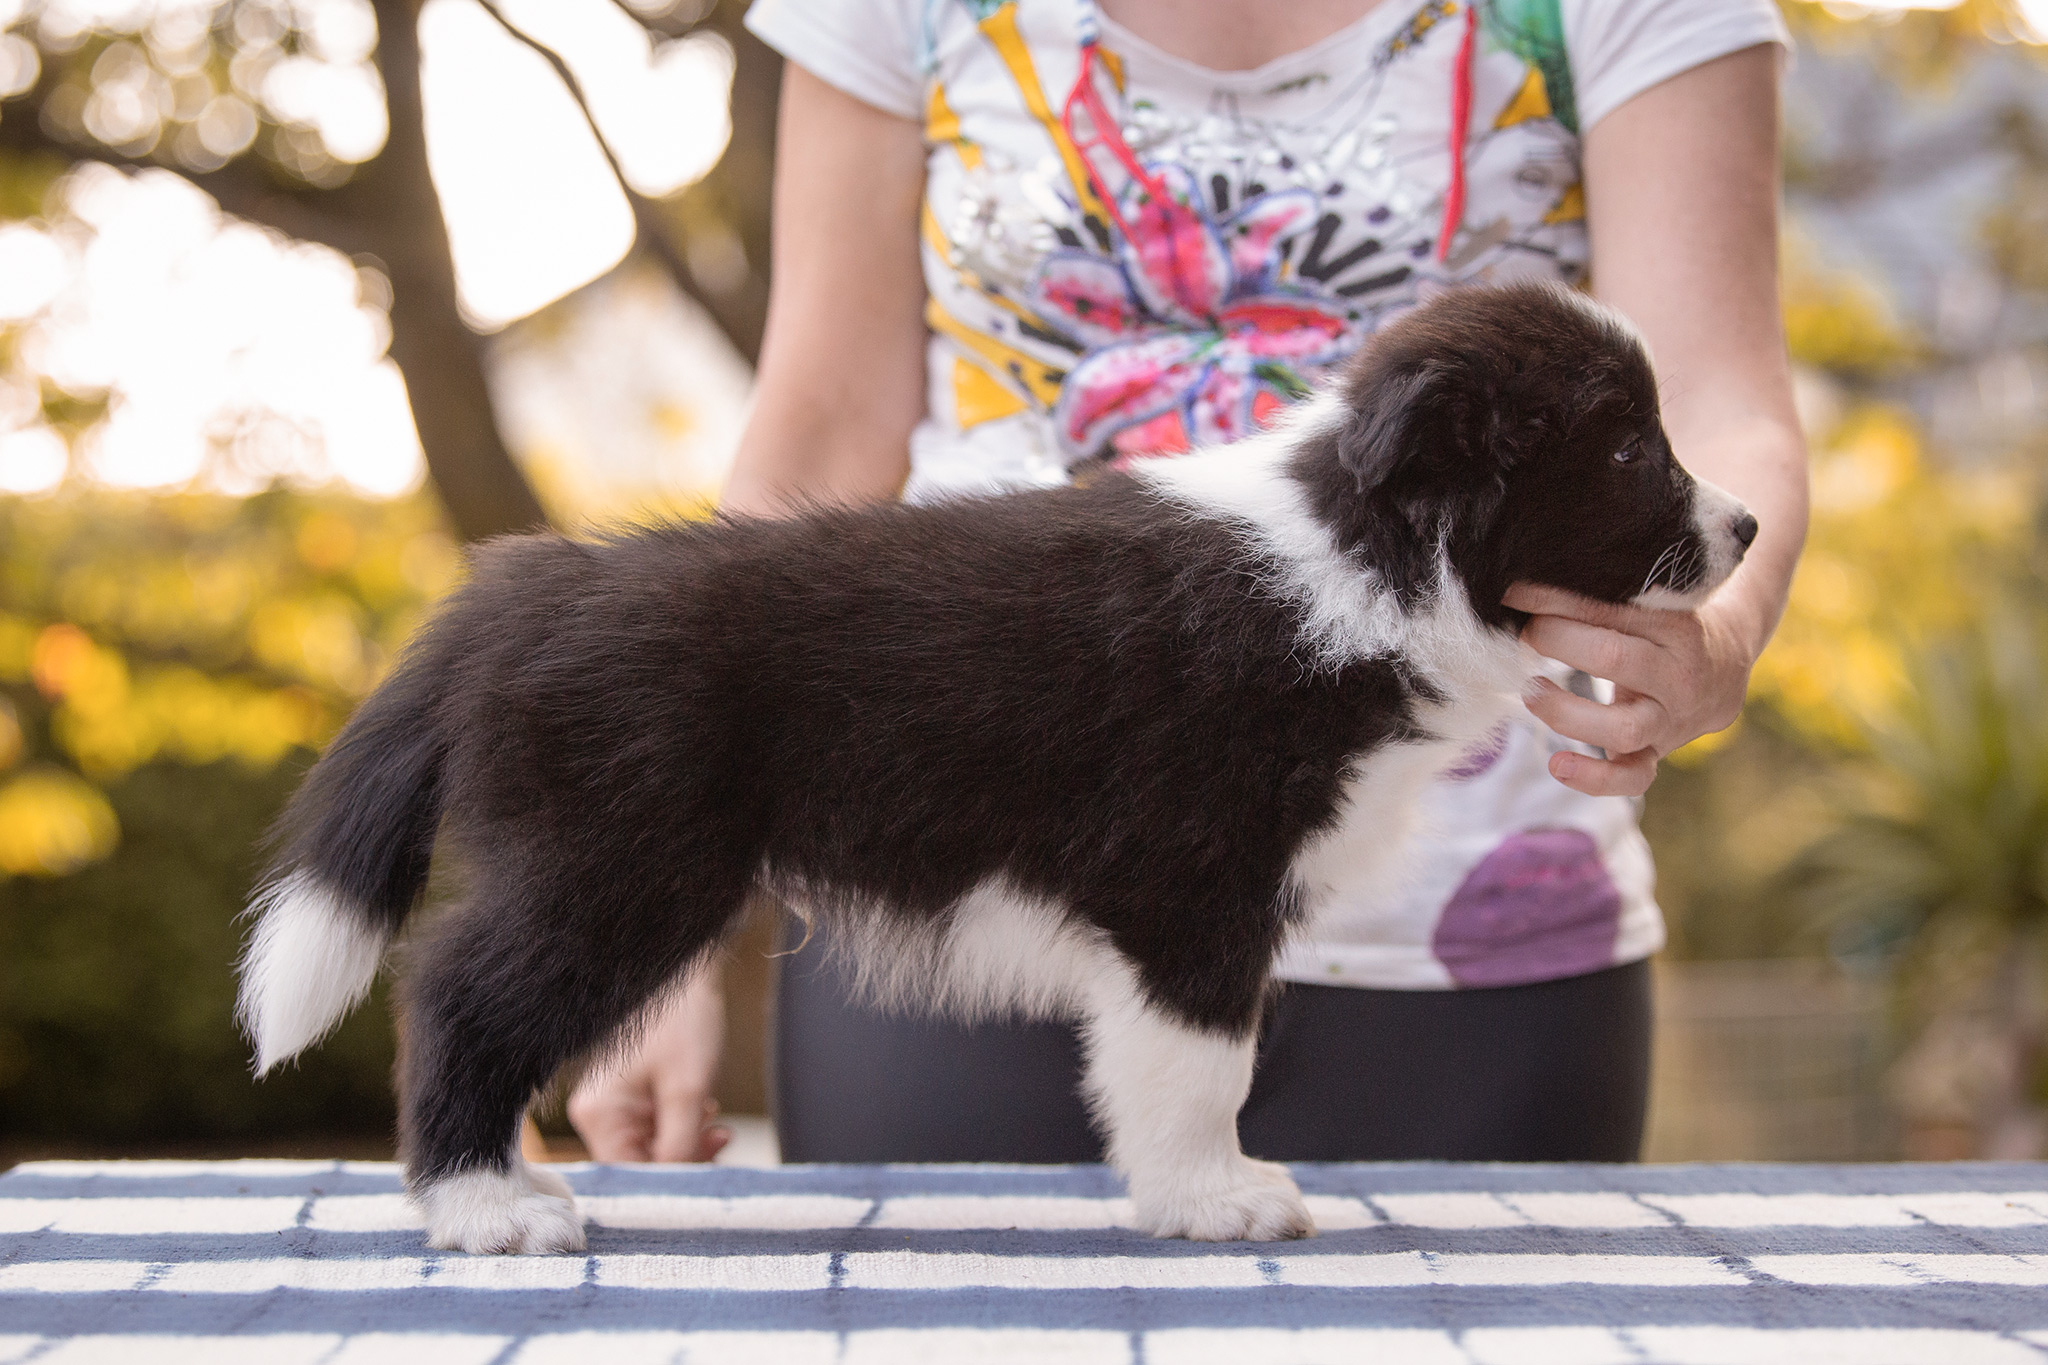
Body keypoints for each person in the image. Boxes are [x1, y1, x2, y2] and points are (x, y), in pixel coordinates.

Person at [566, 0, 1809, 1166]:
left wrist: (1718, 636)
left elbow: (1715, 399)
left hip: (1472, 936)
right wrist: (649, 901)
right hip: (951, 880)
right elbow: (823, 425)